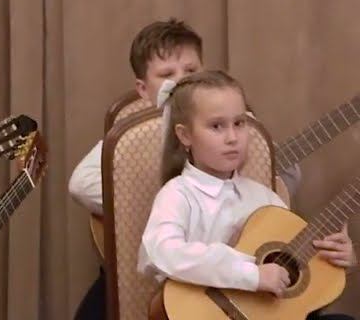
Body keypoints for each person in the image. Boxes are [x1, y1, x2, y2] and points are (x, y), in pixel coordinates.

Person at [139, 71, 354, 320]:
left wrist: (338, 261)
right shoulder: (177, 195)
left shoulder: (264, 198)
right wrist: (250, 275)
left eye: (239, 124)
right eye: (217, 126)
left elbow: (295, 277)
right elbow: (163, 251)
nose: (232, 138)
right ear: (185, 135)